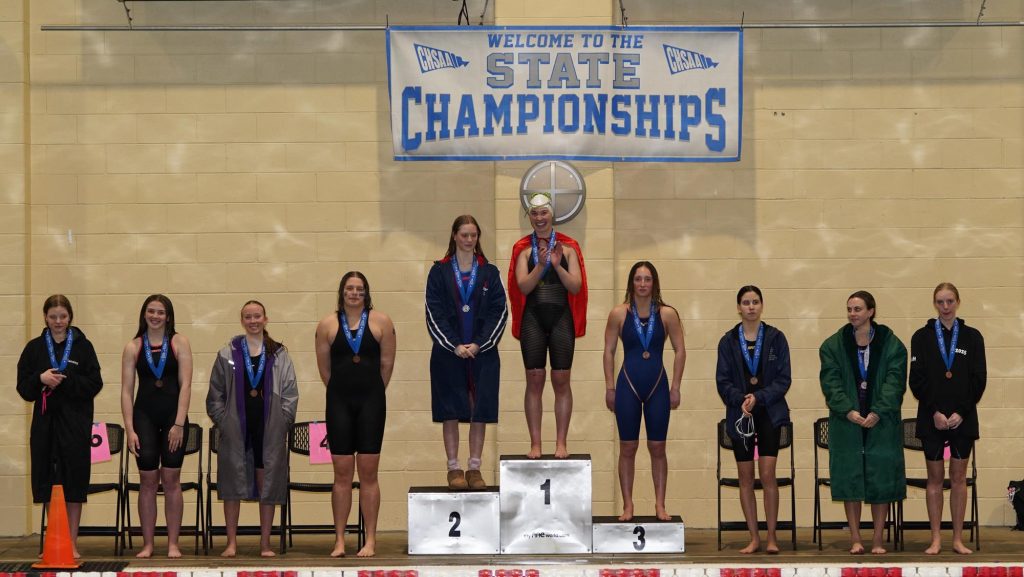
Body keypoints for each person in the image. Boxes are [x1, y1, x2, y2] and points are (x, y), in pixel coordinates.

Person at [207, 300, 298, 557]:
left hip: (268, 428)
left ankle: (265, 544)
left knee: (266, 482)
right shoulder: (227, 354)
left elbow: (290, 392)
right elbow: (215, 394)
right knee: (231, 482)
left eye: (257, 316)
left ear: (265, 319)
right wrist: (223, 420)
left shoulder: (279, 354)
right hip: (236, 427)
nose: (253, 321)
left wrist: (283, 421)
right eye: (248, 317)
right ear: (242, 321)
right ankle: (231, 543)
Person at [315, 272, 396, 558]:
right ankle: (339, 540)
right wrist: (342, 390)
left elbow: (386, 365)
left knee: (369, 473)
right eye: (349, 288)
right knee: (341, 474)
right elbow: (325, 370)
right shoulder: (326, 324)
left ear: (366, 293)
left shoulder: (382, 322)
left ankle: (370, 540)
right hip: (339, 402)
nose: (354, 293)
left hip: (371, 402)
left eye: (359, 289)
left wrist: (370, 391)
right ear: (342, 292)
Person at [819, 290, 906, 555]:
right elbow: (831, 382)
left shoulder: (892, 344)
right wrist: (847, 410)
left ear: (871, 311)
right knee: (850, 479)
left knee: (881, 478)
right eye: (849, 309)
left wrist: (878, 411)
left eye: (857, 309)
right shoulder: (833, 345)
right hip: (848, 422)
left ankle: (878, 539)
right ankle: (856, 538)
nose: (852, 314)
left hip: (881, 422)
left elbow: (895, 381)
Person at [17, 295, 103, 559]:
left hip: (75, 424)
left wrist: (66, 380)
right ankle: (55, 541)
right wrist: (40, 378)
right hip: (45, 425)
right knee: (47, 482)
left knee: (74, 482)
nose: (58, 321)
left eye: (62, 316)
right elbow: (23, 388)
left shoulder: (83, 347)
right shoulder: (34, 348)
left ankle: (72, 542)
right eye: (53, 316)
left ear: (70, 317)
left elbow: (95, 383)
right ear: (45, 317)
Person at [425, 215, 508, 490]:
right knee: (450, 409)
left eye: (473, 235)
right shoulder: (439, 272)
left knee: (478, 410)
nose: (469, 240)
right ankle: (453, 468)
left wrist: (480, 344)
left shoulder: (489, 272)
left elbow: (499, 311)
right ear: (454, 236)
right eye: (464, 235)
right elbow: (433, 312)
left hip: (482, 353)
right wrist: (454, 345)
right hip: (448, 353)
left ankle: (474, 468)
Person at [602, 262, 684, 522]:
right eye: (638, 279)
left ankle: (660, 505)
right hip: (628, 385)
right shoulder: (618, 314)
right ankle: (628, 505)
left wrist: (675, 387)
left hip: (657, 386)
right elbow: (609, 352)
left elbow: (680, 350)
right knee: (628, 447)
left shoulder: (668, 314)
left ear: (654, 283)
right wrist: (610, 387)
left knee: (657, 447)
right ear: (631, 283)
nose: (642, 284)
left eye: (647, 279)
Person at [507, 193, 588, 459]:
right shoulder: (523, 250)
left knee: (561, 380)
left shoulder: (569, 248)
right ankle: (536, 444)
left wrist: (556, 266)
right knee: (534, 379)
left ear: (552, 215)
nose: (539, 218)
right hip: (533, 318)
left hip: (561, 317)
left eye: (544, 213)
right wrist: (541, 266)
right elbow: (523, 286)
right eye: (534, 213)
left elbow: (575, 287)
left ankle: (561, 443)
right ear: (529, 217)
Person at [909, 282, 986, 555]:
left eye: (950, 301)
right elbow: (916, 380)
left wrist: (961, 412)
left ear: (958, 302)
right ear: (934, 304)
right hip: (933, 418)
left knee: (958, 477)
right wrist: (935, 412)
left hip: (963, 419)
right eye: (940, 302)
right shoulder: (921, 337)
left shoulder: (972, 337)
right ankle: (935, 539)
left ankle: (957, 539)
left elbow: (979, 379)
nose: (945, 307)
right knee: (935, 478)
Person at [715, 285, 792, 554]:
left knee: (768, 475)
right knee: (745, 477)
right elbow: (722, 381)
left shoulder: (776, 338)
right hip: (741, 415)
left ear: (761, 305)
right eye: (746, 302)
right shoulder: (728, 341)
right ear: (739, 307)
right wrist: (741, 399)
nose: (751, 307)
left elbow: (784, 379)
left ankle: (771, 537)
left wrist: (758, 397)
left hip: (769, 412)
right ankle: (754, 538)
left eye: (755, 302)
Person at [120, 294, 193, 558]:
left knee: (171, 479)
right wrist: (130, 429)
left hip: (174, 417)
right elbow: (127, 391)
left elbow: (186, 384)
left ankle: (173, 544)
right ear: (144, 314)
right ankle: (148, 544)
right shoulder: (133, 347)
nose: (155, 316)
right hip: (144, 417)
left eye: (160, 312)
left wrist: (179, 423)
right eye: (151, 311)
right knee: (148, 480)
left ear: (168, 316)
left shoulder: (179, 342)